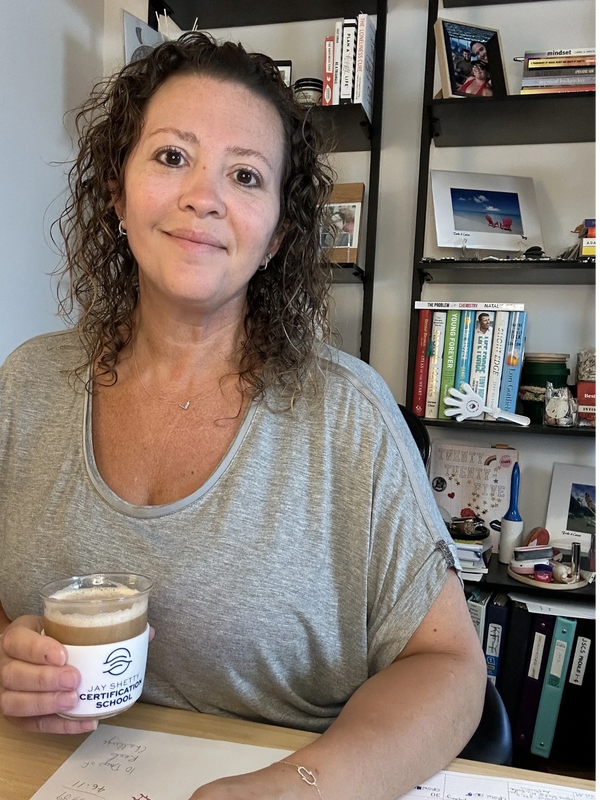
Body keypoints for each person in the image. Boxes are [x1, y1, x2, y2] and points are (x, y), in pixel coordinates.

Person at [0, 32, 486, 799]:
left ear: (277, 237)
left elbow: (452, 671)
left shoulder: (348, 415)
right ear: (115, 193)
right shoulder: (26, 384)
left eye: (246, 175)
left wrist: (304, 784)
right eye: (170, 157)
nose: (205, 195)